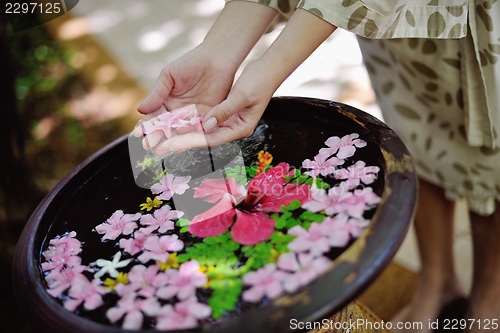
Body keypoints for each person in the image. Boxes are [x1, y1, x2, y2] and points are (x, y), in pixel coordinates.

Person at [137, 1, 500, 332]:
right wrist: (217, 54)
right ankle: (437, 284)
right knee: (417, 136)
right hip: (390, 26)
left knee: (491, 157)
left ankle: (489, 300)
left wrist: (266, 71)